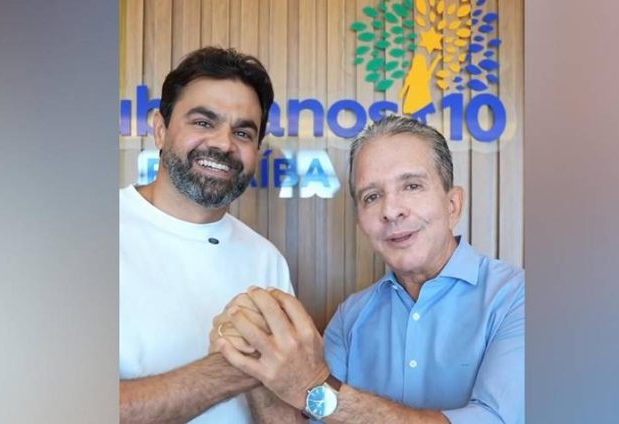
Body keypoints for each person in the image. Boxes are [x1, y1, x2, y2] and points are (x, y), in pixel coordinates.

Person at [215, 115, 525, 423]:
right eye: (372, 196)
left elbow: (494, 420)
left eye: (412, 186)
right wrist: (256, 359)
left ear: (452, 204)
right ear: (360, 222)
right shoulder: (350, 317)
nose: (391, 210)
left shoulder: (518, 297)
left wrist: (313, 386)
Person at [119, 46, 301, 423]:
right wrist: (232, 368)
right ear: (160, 129)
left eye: (243, 132)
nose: (223, 143)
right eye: (203, 122)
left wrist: (271, 374)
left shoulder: (266, 260)